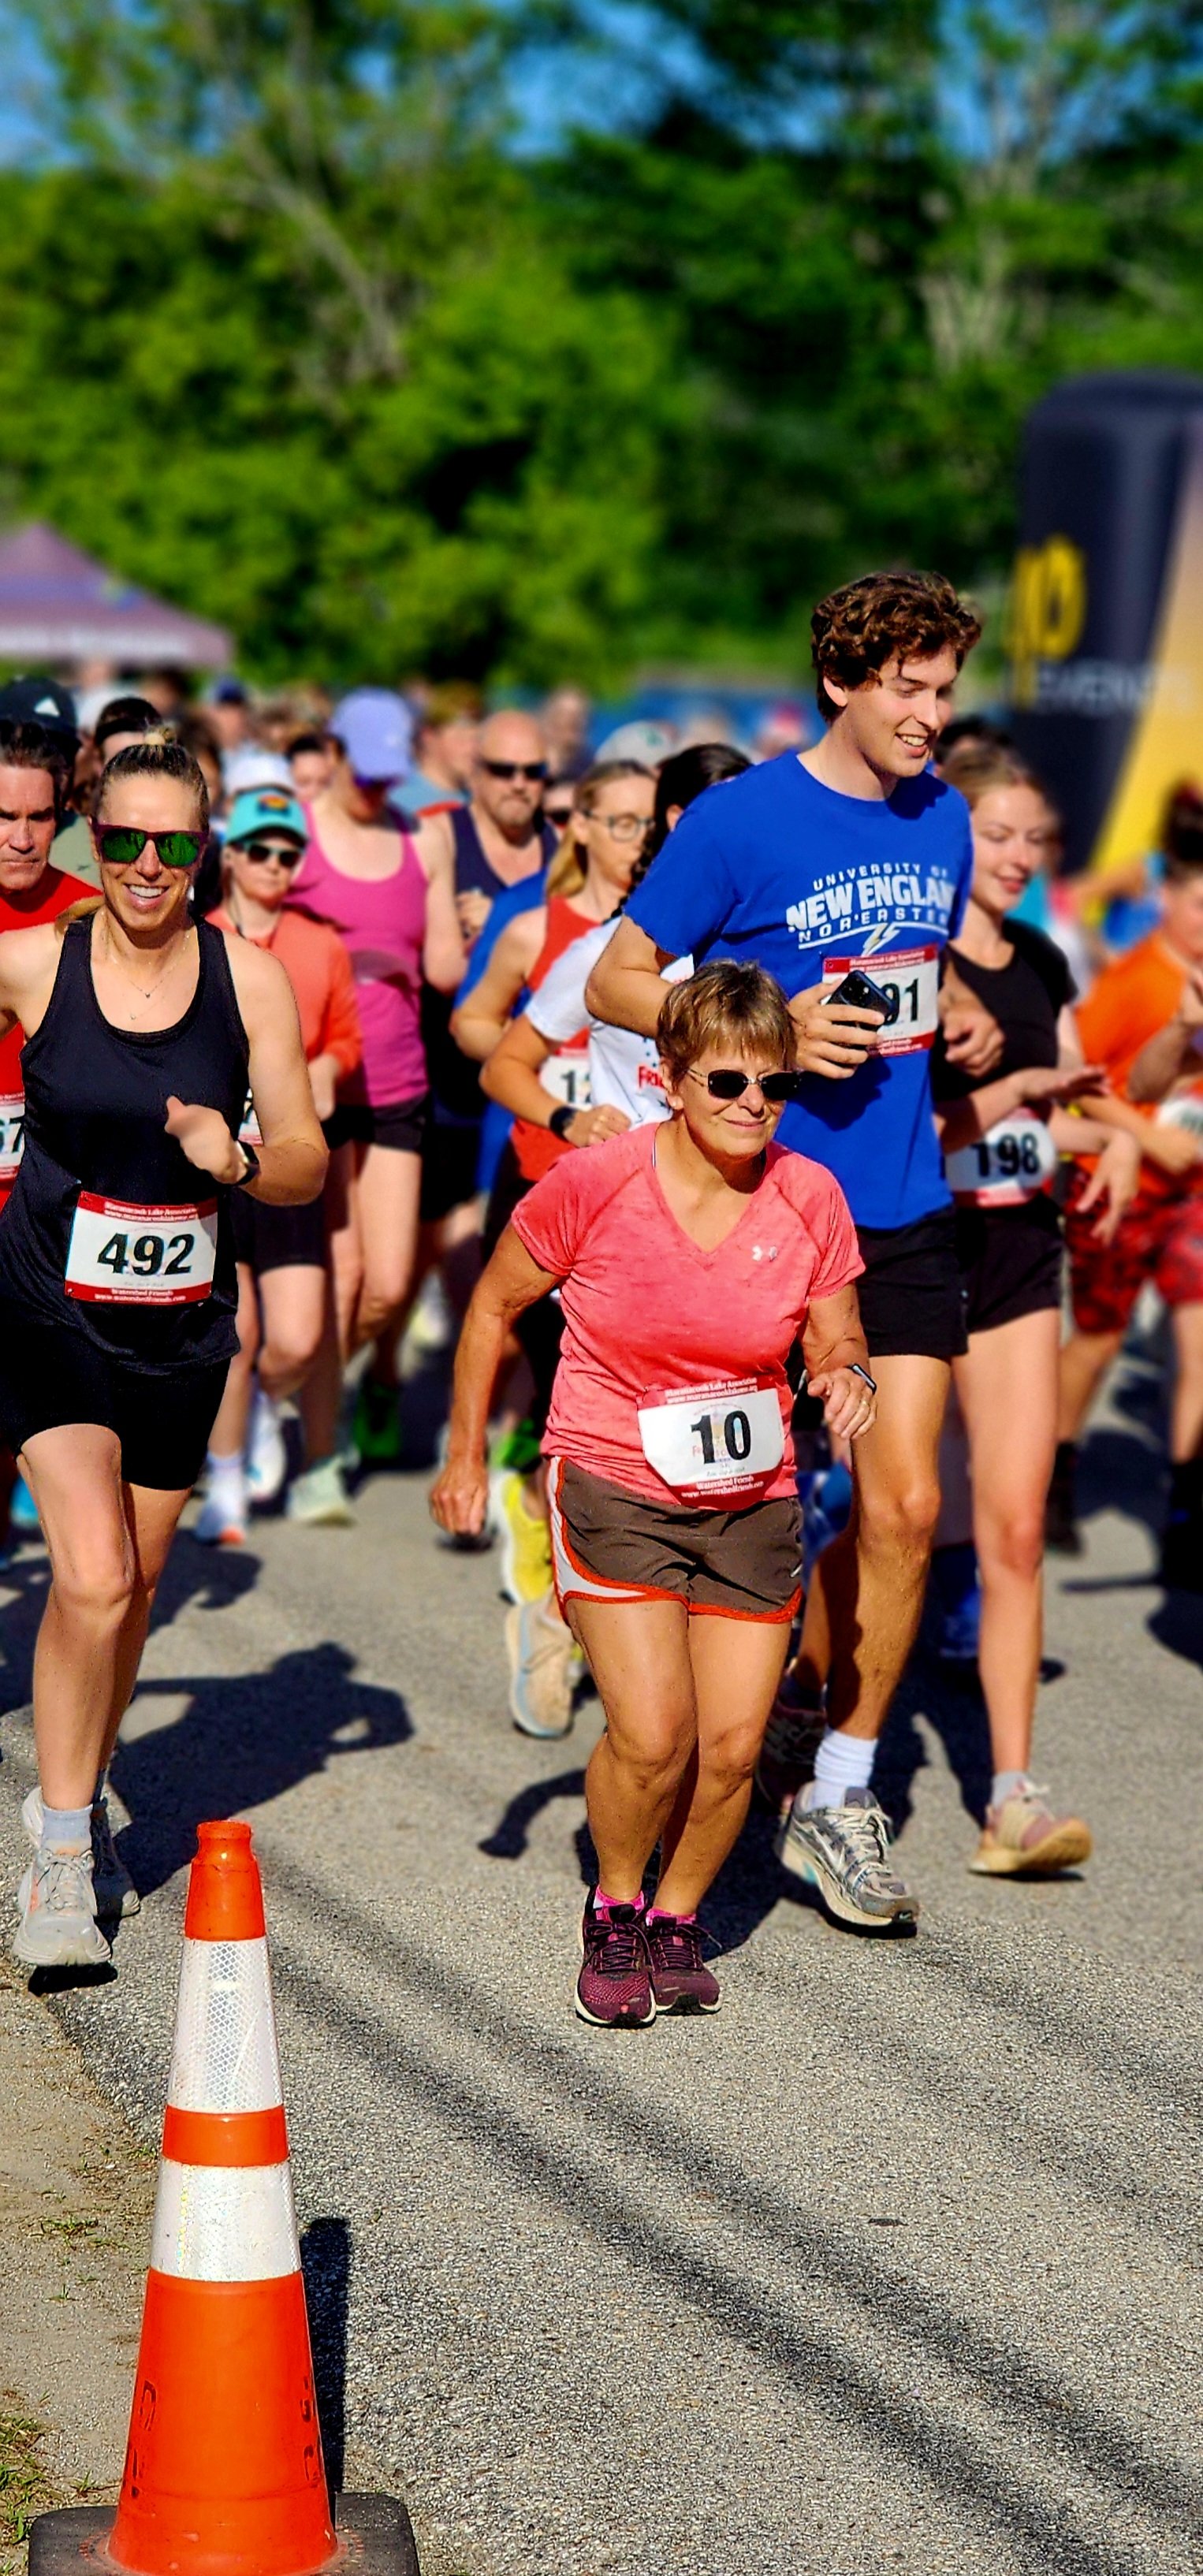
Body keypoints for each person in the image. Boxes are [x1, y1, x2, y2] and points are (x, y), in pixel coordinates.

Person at [587, 570, 1004, 1930]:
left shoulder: (940, 818)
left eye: (945, 691)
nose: (930, 717)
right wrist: (763, 1026)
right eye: (907, 687)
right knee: (735, 1515)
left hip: (897, 1215)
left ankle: (838, 1781)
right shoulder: (740, 816)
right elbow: (617, 977)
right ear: (840, 678)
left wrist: (965, 1023)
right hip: (749, 1221)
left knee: (903, 1508)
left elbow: (917, 971)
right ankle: (685, 1724)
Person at [432, 963, 877, 2023]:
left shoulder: (807, 1195)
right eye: (726, 1083)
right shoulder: (597, 1181)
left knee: (730, 1749)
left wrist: (846, 1373)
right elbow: (494, 1306)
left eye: (774, 1088)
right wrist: (461, 1457)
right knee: (652, 1733)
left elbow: (838, 1329)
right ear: (670, 1078)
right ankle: (615, 1907)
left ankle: (677, 1919)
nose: (751, 1108)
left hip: (751, 1493)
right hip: (610, 1475)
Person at [0, 736, 326, 1968]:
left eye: (173, 844)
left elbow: (302, 1158)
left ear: (204, 851)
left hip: (182, 1332)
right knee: (85, 1579)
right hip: (43, 1310)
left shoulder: (251, 982)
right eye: (123, 841)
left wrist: (232, 1159)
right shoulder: (34, 960)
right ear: (93, 841)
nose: (146, 866)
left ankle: (71, 1782)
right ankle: (62, 1855)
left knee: (129, 1595)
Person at [929, 743, 1140, 1871]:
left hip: (1016, 1249)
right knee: (892, 1527)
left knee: (1013, 1529)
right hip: (912, 1255)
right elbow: (895, 1140)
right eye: (995, 833)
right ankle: (809, 1729)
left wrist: (1104, 1138)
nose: (1016, 857)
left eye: (1032, 840)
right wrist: (1008, 1095)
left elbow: (1059, 1101)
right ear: (950, 832)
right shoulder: (903, 965)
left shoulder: (1042, 963)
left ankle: (1009, 1797)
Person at [451, 761, 656, 1715]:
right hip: (545, 1176)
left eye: (648, 824)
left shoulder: (694, 947)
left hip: (654, 1205)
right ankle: (547, 1589)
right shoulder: (544, 929)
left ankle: (585, 1584)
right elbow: (480, 1029)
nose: (636, 839)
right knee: (559, 1391)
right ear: (582, 827)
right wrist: (563, 1105)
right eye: (620, 822)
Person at [288, 688, 463, 1464]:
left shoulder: (425, 841)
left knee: (387, 1285)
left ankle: (310, 1389)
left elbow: (443, 972)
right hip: (316, 1083)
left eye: (390, 774)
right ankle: (298, 1407)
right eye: (364, 771)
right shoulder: (294, 835)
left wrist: (470, 927)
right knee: (343, 1272)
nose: (376, 788)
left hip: (396, 1082)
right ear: (333, 755)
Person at [196, 787, 363, 1537]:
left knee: (295, 1339)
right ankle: (225, 1483)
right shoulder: (195, 934)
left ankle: (265, 1410)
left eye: (287, 852)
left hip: (290, 1161)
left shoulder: (320, 942)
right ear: (229, 856)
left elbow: (348, 1040)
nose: (273, 863)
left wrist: (329, 1066)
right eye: (258, 849)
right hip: (219, 1163)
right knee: (238, 1333)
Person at [1050, 821, 1203, 1576]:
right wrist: (1144, 1138)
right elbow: (1082, 1085)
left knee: (1196, 1337)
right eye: (1201, 902)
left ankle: (1183, 1510)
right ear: (1169, 898)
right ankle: (1056, 1466)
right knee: (1101, 1340)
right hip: (1120, 1184)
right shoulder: (1132, 980)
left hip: (1192, 1195)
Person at [412, 711, 558, 1313]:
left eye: (533, 771)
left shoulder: (562, 848)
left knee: (501, 1249)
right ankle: (389, 1374)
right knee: (417, 1260)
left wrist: (489, 924)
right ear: (474, 773)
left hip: (528, 1083)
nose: (519, 783)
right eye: (503, 770)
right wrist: (497, 934)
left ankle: (488, 1392)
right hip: (445, 1081)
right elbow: (443, 969)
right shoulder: (441, 837)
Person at [0, 720, 95, 1550]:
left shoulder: (90, 918)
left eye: (39, 816)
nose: (22, 836)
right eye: (4, 817)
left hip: (48, 1223)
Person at [400, 683, 481, 822]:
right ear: (429, 737)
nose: (472, 749)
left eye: (477, 738)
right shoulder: (398, 802)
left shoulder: (478, 802)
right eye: (461, 737)